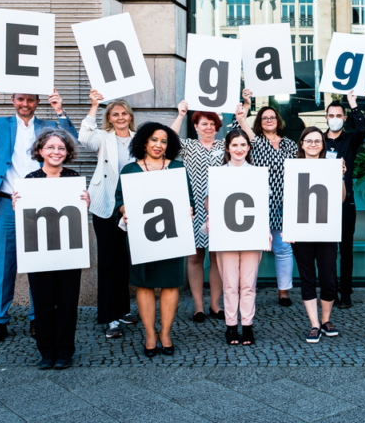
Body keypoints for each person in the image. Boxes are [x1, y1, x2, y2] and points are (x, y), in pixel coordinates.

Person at [0, 78, 77, 345]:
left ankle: (37, 318)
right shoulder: (2, 124)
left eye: (30, 99)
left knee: (38, 261)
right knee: (6, 264)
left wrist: (60, 111)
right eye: (20, 99)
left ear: (37, 102)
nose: (25, 104)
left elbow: (71, 138)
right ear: (13, 100)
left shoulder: (48, 125)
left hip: (40, 200)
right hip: (7, 201)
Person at [12, 128, 90, 370]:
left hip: (68, 251)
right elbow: (27, 221)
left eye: (61, 148)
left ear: (67, 153)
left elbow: (76, 217)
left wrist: (84, 204)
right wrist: (18, 207)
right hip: (39, 252)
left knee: (67, 302)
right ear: (40, 151)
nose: (56, 151)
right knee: (43, 302)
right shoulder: (29, 181)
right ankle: (46, 352)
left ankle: (65, 351)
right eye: (51, 147)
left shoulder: (73, 178)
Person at [114, 122, 194, 357]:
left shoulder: (178, 168)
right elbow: (119, 200)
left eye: (164, 141)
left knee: (170, 283)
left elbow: (188, 199)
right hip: (142, 236)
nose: (159, 145)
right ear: (144, 142)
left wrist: (188, 208)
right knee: (144, 284)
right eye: (154, 140)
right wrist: (124, 209)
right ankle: (150, 333)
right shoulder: (130, 169)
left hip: (172, 235)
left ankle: (165, 332)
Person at [170, 101, 244, 322]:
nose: (209, 127)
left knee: (216, 257)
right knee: (195, 257)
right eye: (204, 123)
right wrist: (181, 114)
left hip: (220, 209)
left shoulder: (225, 147)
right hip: (193, 208)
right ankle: (198, 306)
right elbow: (169, 139)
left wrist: (242, 113)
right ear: (196, 126)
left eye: (212, 123)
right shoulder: (189, 146)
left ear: (218, 126)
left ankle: (215, 304)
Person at [78, 90, 138, 339]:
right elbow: (84, 139)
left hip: (132, 206)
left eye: (124, 113)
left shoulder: (138, 139)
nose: (121, 117)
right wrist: (94, 106)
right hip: (105, 205)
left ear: (130, 116)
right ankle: (109, 317)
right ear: (109, 118)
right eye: (115, 114)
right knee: (109, 262)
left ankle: (123, 309)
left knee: (125, 261)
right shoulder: (102, 137)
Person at [230, 95, 299, 306]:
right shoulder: (255, 142)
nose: (269, 120)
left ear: (278, 120)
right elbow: (238, 130)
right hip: (258, 202)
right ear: (259, 123)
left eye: (272, 117)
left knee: (283, 248)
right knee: (253, 250)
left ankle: (283, 292)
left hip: (283, 203)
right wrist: (243, 113)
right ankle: (247, 290)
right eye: (264, 118)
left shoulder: (289, 144)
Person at [206, 128, 270, 346]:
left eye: (243, 145)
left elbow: (263, 205)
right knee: (230, 284)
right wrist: (209, 219)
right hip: (226, 234)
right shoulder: (218, 173)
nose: (239, 149)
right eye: (235, 145)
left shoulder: (258, 172)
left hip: (252, 234)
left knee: (249, 284)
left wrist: (266, 230)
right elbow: (211, 201)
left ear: (249, 147)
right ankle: (231, 326)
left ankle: (248, 326)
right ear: (227, 148)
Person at [287, 127, 346, 343]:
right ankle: (314, 323)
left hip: (325, 230)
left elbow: (340, 199)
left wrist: (340, 176)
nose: (313, 144)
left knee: (329, 279)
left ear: (323, 144)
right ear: (301, 144)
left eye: (318, 141)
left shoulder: (331, 166)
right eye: (309, 141)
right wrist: (289, 227)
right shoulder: (292, 167)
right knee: (307, 279)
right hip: (301, 231)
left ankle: (326, 319)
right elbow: (288, 200)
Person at [321, 93, 365, 309]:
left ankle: (346, 292)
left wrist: (353, 104)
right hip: (321, 203)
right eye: (331, 115)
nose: (335, 118)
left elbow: (363, 128)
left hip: (345, 203)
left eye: (338, 115)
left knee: (346, 249)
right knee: (326, 250)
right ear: (325, 118)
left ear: (344, 117)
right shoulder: (317, 140)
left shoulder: (351, 139)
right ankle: (329, 290)